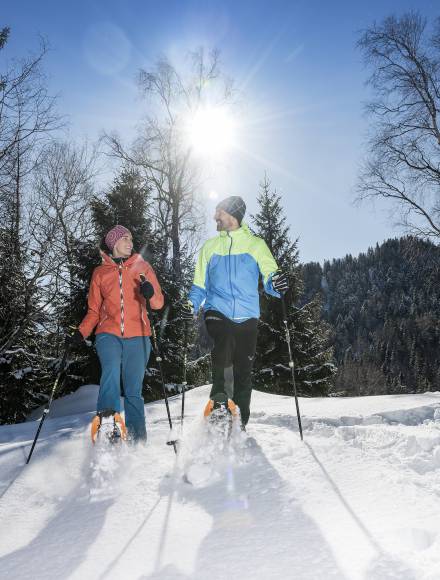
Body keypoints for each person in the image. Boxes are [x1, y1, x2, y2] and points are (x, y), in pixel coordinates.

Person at [183, 196, 288, 428]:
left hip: (248, 314)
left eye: (218, 212)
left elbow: (270, 274)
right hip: (216, 310)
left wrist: (277, 283)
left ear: (231, 214)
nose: (214, 217)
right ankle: (220, 399)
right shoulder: (209, 247)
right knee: (224, 339)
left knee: (244, 369)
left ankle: (239, 422)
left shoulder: (256, 245)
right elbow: (199, 285)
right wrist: (190, 305)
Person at [67, 225, 164, 442]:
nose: (130, 243)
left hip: (138, 335)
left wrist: (150, 293)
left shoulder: (142, 267)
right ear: (113, 243)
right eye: (125, 239)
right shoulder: (100, 273)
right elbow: (93, 311)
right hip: (107, 333)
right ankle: (109, 425)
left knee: (133, 389)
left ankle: (137, 442)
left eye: (131, 238)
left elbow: (158, 303)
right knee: (110, 371)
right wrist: (81, 333)